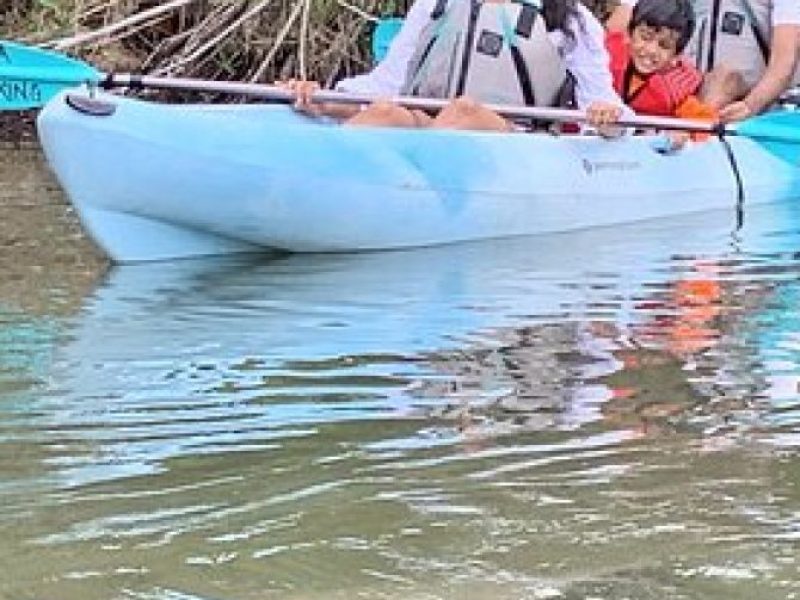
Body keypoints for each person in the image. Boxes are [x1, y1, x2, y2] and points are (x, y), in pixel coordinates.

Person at [285, 0, 629, 133]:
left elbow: (601, 102)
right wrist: (328, 101)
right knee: (387, 111)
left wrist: (608, 118)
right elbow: (387, 82)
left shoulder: (573, 21)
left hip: (519, 139)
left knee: (463, 112)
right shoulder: (437, 5)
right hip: (432, 121)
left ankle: (409, 193)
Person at [607, 0, 800, 122]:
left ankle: (696, 127)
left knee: (725, 77)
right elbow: (618, 28)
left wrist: (750, 105)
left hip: (745, 105)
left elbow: (784, 62)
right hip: (672, 89)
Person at [605, 0, 717, 147]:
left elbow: (706, 123)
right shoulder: (603, 55)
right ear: (629, 33)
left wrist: (685, 134)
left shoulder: (677, 90)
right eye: (645, 37)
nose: (651, 50)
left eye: (664, 46)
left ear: (676, 56)